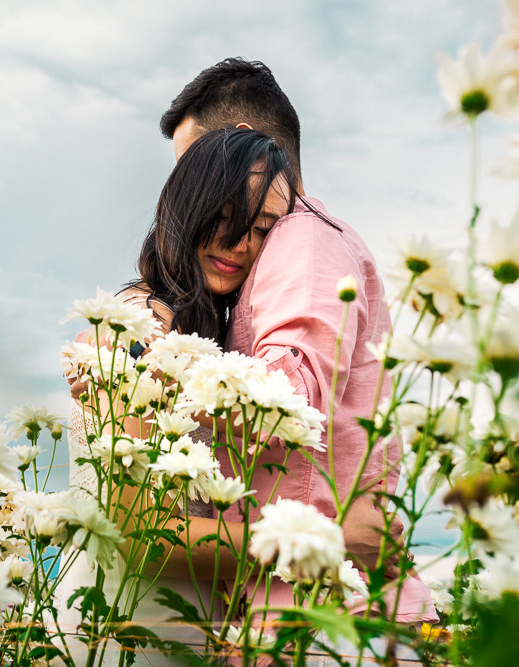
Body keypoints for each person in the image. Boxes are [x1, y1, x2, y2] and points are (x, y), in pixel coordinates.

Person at [159, 58, 439, 635]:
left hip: (325, 618)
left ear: (243, 145)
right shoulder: (288, 245)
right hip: (303, 608)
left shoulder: (301, 237)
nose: (189, 194)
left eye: (193, 166)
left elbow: (285, 398)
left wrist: (142, 367)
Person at [56, 127, 296, 665]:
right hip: (122, 633)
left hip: (187, 634)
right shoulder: (134, 331)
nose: (240, 244)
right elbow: (141, 531)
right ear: (186, 205)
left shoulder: (206, 337)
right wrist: (320, 543)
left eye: (263, 229)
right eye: (227, 215)